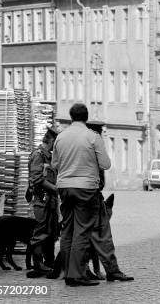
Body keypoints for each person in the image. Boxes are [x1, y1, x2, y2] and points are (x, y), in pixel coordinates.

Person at [53, 103, 111, 287]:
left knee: (67, 230)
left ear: (71, 117)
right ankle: (76, 274)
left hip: (64, 187)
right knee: (82, 230)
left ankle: (67, 271)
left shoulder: (61, 137)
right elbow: (105, 164)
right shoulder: (92, 137)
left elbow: (55, 164)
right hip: (85, 188)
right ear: (87, 117)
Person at [84, 121, 133, 282]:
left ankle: (79, 271)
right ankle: (112, 270)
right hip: (92, 200)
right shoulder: (95, 150)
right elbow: (104, 170)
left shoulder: (74, 146)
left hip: (76, 199)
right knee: (103, 236)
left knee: (78, 237)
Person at [26, 127, 60, 277]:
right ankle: (38, 263)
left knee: (51, 232)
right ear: (51, 140)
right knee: (40, 232)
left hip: (51, 200)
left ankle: (49, 262)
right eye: (56, 142)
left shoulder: (49, 157)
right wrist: (54, 188)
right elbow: (37, 179)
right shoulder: (38, 155)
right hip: (41, 200)